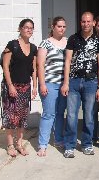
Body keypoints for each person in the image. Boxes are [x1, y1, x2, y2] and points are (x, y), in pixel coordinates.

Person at [61, 12, 99, 158]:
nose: (86, 24)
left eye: (88, 21)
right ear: (80, 22)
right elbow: (67, 61)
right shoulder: (73, 39)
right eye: (83, 21)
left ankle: (87, 144)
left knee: (89, 116)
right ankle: (69, 146)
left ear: (93, 23)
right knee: (72, 115)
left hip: (91, 82)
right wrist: (66, 83)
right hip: (74, 81)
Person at [1, 19, 37, 157]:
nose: (29, 30)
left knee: (22, 117)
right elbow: (5, 66)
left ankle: (19, 144)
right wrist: (10, 85)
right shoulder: (12, 45)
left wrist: (34, 86)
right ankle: (10, 145)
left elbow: (33, 68)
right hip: (12, 86)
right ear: (20, 29)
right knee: (11, 117)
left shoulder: (33, 48)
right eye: (26, 27)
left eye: (31, 28)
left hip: (25, 87)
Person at [36, 16, 67, 157]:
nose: (62, 29)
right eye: (59, 26)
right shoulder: (45, 44)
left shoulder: (68, 43)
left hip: (64, 84)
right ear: (53, 27)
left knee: (60, 114)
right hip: (49, 83)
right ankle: (42, 145)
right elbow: (40, 65)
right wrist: (42, 84)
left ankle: (59, 140)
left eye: (64, 26)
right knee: (49, 114)